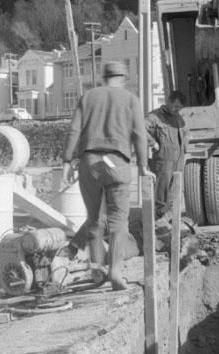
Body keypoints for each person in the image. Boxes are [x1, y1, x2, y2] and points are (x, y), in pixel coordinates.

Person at [62, 60, 153, 290]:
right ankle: (115, 271)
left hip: (89, 161)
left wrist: (66, 161)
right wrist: (143, 166)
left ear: (104, 77)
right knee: (118, 220)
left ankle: (97, 270)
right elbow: (139, 135)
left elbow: (74, 129)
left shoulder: (88, 97)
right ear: (123, 77)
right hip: (118, 162)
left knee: (93, 219)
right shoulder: (131, 100)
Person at [146, 90, 189, 219]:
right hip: (163, 164)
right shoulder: (154, 116)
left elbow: (186, 132)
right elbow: (139, 130)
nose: (177, 109)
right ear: (168, 102)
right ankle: (158, 223)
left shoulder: (178, 118)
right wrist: (153, 143)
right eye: (175, 106)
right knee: (161, 196)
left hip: (178, 163)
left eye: (180, 108)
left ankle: (169, 223)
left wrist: (185, 147)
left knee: (173, 195)